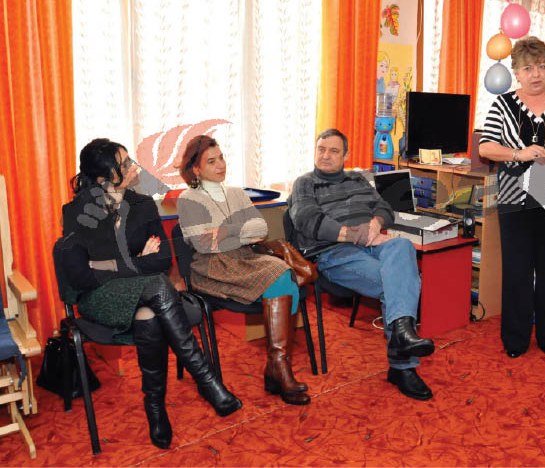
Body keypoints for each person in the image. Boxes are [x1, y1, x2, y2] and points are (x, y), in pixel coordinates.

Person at [61, 138, 242, 450]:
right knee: (157, 286)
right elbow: (79, 275)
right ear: (103, 178)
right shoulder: (77, 213)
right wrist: (137, 262)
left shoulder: (143, 205)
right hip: (99, 297)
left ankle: (155, 408)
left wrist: (108, 264)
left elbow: (161, 260)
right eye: (125, 164)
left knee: (150, 315)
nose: (134, 168)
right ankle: (206, 380)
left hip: (147, 295)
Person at [289, 129, 436, 401]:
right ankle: (403, 365)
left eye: (333, 151)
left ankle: (402, 337)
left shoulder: (357, 179)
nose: (325, 155)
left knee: (402, 246)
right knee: (399, 284)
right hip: (335, 252)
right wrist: (356, 234)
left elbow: (385, 208)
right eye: (321, 149)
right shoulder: (305, 183)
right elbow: (307, 220)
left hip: (372, 244)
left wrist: (376, 224)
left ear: (346, 155)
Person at [176, 135, 310, 406]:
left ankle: (278, 365)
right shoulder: (188, 199)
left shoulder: (236, 193)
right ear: (196, 169)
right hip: (211, 267)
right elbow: (204, 244)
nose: (220, 165)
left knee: (282, 271)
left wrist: (227, 230)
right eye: (211, 161)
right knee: (281, 274)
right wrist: (242, 233)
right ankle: (278, 368)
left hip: (246, 258)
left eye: (221, 158)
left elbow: (261, 229)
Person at [478, 36, 545, 358]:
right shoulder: (502, 104)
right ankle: (516, 339)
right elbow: (486, 148)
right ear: (516, 73)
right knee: (517, 268)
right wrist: (519, 153)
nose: (536, 74)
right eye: (528, 68)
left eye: (542, 66)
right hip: (514, 194)